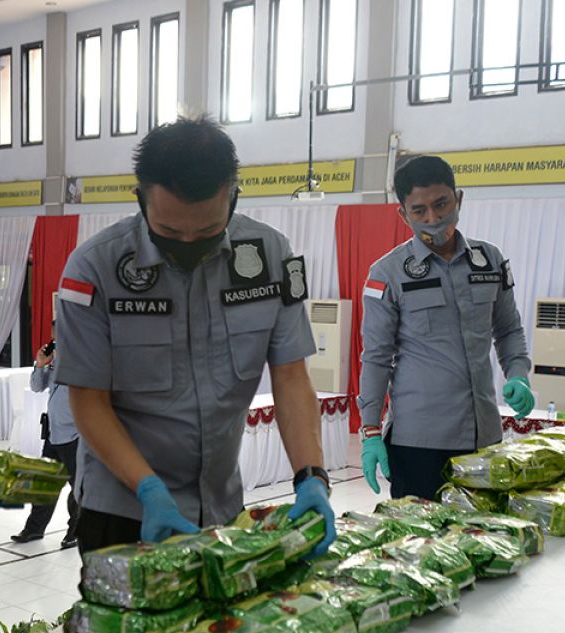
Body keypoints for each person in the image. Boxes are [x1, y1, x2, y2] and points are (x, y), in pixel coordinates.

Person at [54, 116, 336, 555]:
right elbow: (87, 400)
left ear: (234, 198)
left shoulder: (270, 257)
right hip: (124, 512)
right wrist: (148, 489)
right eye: (168, 232)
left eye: (207, 231)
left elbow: (290, 376)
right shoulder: (95, 270)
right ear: (141, 200)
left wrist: (311, 476)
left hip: (223, 505)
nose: (188, 242)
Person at [358, 155, 534, 501]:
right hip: (418, 443)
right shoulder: (387, 273)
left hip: (483, 438)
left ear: (459, 199)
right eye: (419, 210)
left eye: (441, 204)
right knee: (420, 548)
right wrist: (370, 430)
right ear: (403, 214)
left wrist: (518, 375)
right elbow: (376, 358)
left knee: (484, 540)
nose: (434, 218)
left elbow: (509, 330)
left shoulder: (490, 261)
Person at [11, 320, 80, 548]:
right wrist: (40, 365)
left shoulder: (82, 359)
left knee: (78, 488)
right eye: (54, 337)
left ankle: (77, 532)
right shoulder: (54, 361)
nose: (56, 342)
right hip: (53, 431)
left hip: (75, 434)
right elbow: (37, 387)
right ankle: (34, 529)